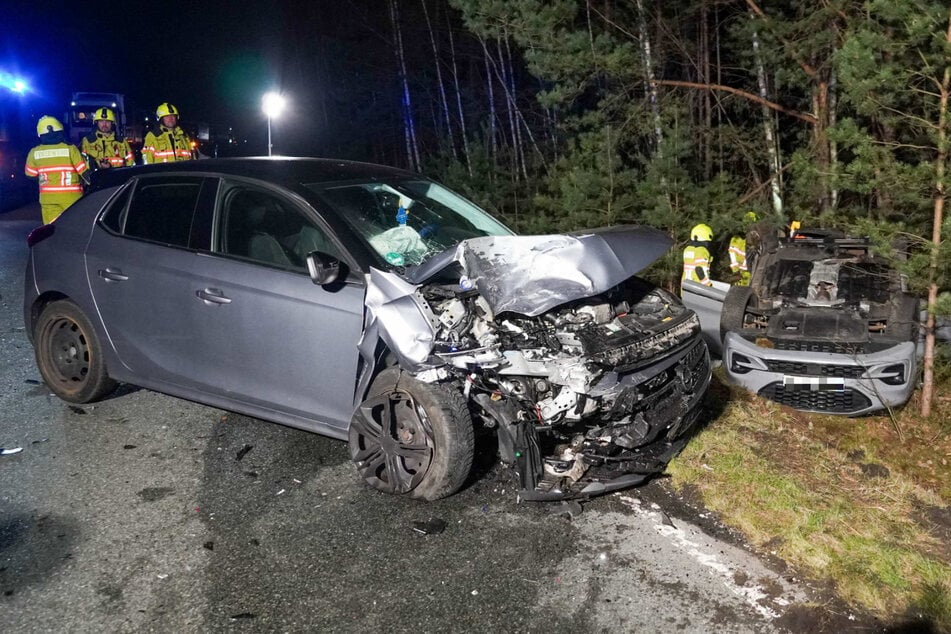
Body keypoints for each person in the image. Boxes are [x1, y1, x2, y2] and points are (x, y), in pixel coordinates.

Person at [24, 116, 89, 224]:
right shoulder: (70, 149)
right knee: (74, 229)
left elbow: (30, 175)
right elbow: (85, 173)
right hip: (73, 199)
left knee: (52, 230)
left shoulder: (34, 152)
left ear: (40, 134)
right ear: (60, 131)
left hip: (48, 199)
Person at [728, 211, 758, 286]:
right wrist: (736, 271)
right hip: (741, 274)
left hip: (749, 273)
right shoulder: (736, 240)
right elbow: (733, 256)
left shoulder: (755, 240)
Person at [682, 223, 714, 291]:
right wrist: (708, 286)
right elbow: (700, 270)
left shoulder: (687, 249)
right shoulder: (702, 251)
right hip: (697, 287)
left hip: (685, 286)